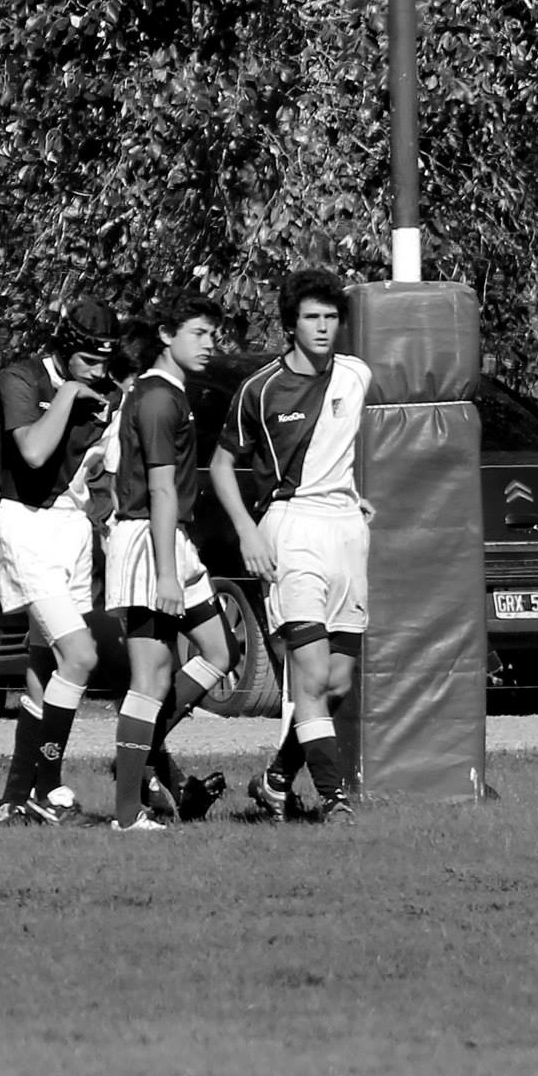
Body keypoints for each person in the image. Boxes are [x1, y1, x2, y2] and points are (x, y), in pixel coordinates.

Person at [210, 269, 371, 824]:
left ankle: (276, 779)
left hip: (346, 532)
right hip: (291, 529)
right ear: (290, 325)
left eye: (331, 317)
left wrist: (356, 497)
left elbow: (344, 450)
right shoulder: (260, 389)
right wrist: (247, 530)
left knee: (338, 682)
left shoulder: (356, 375)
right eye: (311, 317)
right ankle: (334, 799)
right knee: (311, 676)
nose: (323, 327)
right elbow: (221, 465)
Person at [0, 300, 121, 826]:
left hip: (74, 531)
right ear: (64, 348)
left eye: (105, 362)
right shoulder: (22, 378)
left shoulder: (110, 392)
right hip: (27, 524)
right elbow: (34, 453)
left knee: (46, 669)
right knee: (81, 655)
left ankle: (13, 800)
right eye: (88, 360)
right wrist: (67, 394)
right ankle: (47, 789)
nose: (97, 372)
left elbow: (103, 475)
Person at [104, 295, 233, 832]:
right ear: (165, 335)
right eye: (198, 333)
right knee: (150, 679)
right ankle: (126, 811)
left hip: (170, 539)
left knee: (219, 651)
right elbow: (158, 489)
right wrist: (164, 573)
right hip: (148, 542)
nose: (209, 344)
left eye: (212, 335)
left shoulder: (169, 394)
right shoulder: (158, 398)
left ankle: (141, 752)